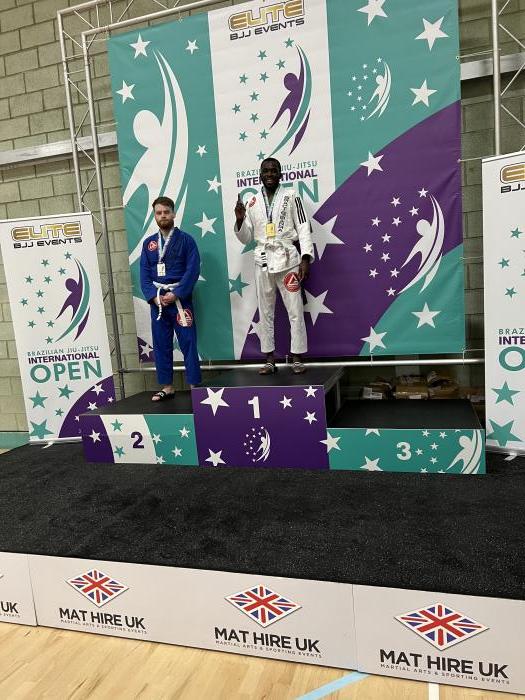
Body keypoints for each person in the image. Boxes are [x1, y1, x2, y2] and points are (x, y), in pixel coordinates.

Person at [234, 158, 314, 374]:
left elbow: (303, 226)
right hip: (262, 260)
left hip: (288, 259)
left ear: (280, 174)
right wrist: (240, 220)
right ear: (260, 175)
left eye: (274, 171)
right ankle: (269, 358)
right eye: (266, 171)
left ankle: (297, 357)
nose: (270, 174)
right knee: (265, 311)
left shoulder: (291, 196)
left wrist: (306, 257)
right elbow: (246, 237)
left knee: (295, 309)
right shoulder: (252, 201)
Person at [140, 196, 201, 400]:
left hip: (180, 300)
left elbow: (192, 270)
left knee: (188, 342)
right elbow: (144, 275)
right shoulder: (148, 244)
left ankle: (194, 384)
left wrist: (177, 293)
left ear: (173, 214)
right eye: (159, 213)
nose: (163, 216)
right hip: (158, 302)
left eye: (166, 212)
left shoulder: (187, 240)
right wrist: (154, 297)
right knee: (161, 343)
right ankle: (167, 386)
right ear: (154, 216)